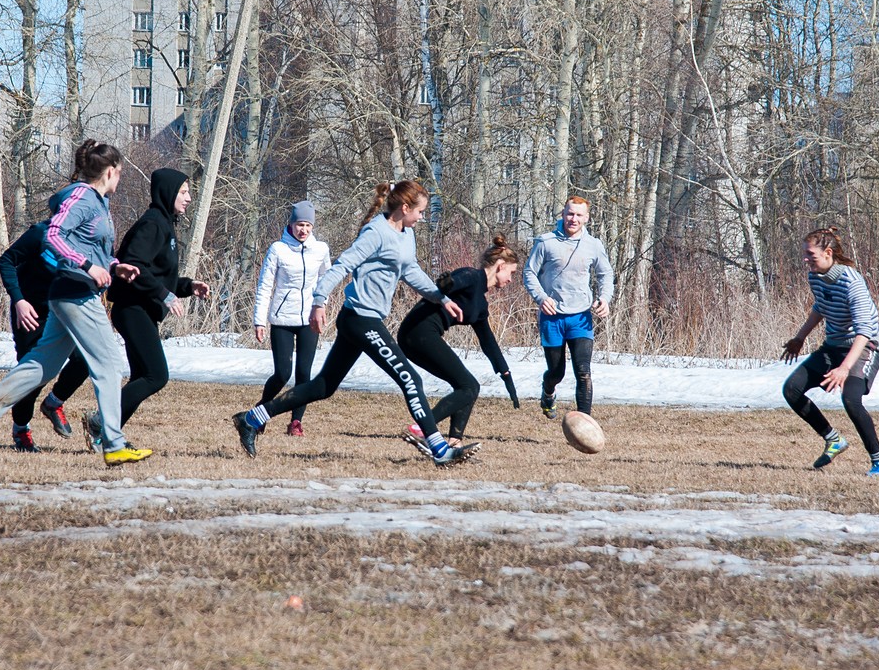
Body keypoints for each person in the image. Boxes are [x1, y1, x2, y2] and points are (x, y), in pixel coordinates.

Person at [231, 180, 470, 466]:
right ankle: (439, 450)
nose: (422, 217)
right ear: (405, 208)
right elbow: (343, 265)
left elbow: (411, 270)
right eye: (419, 211)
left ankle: (251, 418)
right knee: (410, 378)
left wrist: (441, 298)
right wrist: (318, 301)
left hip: (365, 319)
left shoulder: (406, 234)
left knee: (323, 386)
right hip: (360, 318)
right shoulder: (376, 232)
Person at [0, 139, 150, 468]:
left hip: (70, 292)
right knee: (109, 365)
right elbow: (54, 235)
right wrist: (88, 267)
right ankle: (114, 443)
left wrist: (114, 266)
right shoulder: (82, 196)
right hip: (75, 291)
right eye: (119, 174)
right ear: (109, 172)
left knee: (41, 366)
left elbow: (88, 246)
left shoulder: (97, 202)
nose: (120, 180)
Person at [81, 168, 210, 451]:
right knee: (156, 375)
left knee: (143, 377)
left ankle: (104, 434)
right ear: (168, 193)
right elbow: (133, 265)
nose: (189, 198)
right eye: (184, 192)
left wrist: (187, 287)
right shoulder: (153, 224)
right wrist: (164, 295)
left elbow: (159, 275)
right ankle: (100, 422)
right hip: (131, 308)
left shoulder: (165, 223)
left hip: (140, 309)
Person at [782, 227, 879, 476]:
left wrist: (844, 368)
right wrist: (799, 338)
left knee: (851, 400)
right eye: (804, 254)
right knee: (792, 389)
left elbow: (864, 331)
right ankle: (833, 440)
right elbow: (821, 307)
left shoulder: (852, 282)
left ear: (828, 253)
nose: (805, 259)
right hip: (833, 346)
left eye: (810, 254)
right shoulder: (815, 276)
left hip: (864, 347)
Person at [398, 235, 521, 450]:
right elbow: (454, 281)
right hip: (418, 332)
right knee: (469, 386)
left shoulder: (480, 303)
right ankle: (423, 427)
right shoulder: (472, 276)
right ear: (500, 266)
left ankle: (455, 441)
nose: (511, 279)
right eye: (511, 273)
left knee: (466, 385)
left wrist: (505, 373)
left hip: (419, 336)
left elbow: (488, 341)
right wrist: (447, 284)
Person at [0, 220, 91, 452]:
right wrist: (18, 300)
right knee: (33, 375)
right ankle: (20, 429)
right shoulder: (41, 233)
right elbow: (6, 261)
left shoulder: (83, 240)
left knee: (85, 359)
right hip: (29, 312)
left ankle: (54, 403)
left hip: (62, 311)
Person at [523, 196, 614, 420]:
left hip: (580, 317)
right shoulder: (545, 242)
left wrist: (604, 298)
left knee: (583, 372)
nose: (574, 219)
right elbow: (529, 273)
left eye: (579, 215)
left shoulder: (594, 245)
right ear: (563, 214)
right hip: (552, 317)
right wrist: (542, 298)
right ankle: (548, 392)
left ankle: (585, 423)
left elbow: (606, 274)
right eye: (570, 213)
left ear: (587, 218)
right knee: (557, 372)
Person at [251, 200, 332, 436]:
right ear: (291, 224)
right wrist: (259, 321)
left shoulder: (321, 250)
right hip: (282, 320)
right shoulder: (278, 249)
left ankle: (296, 422)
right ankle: (260, 412)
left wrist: (321, 305)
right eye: (299, 224)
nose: (303, 230)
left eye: (307, 225)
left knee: (304, 374)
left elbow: (326, 280)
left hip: (309, 320)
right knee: (283, 373)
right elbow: (265, 286)